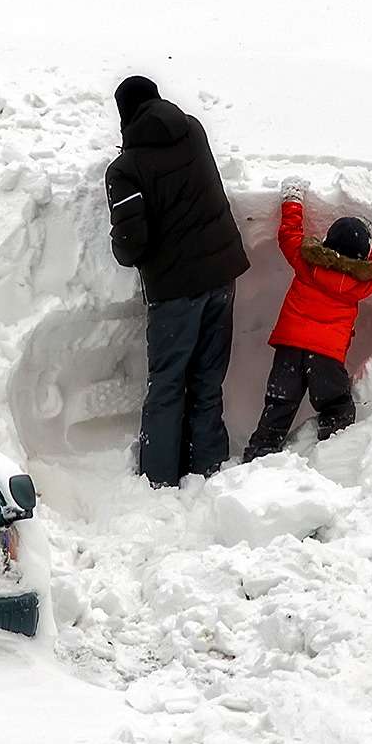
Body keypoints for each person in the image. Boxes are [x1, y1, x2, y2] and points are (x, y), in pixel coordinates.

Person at [104, 76, 250, 488]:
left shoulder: (125, 170)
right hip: (222, 276)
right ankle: (206, 468)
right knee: (207, 379)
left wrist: (120, 244)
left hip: (176, 292)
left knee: (167, 385)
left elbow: (132, 246)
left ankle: (159, 479)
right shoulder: (193, 130)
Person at [243, 176, 372, 460]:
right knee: (337, 406)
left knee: (278, 406)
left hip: (289, 350)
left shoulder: (307, 262)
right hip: (326, 359)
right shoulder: (360, 284)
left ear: (326, 241)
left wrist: (293, 199)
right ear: (361, 257)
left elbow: (288, 235)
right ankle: (330, 455)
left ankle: (258, 455)